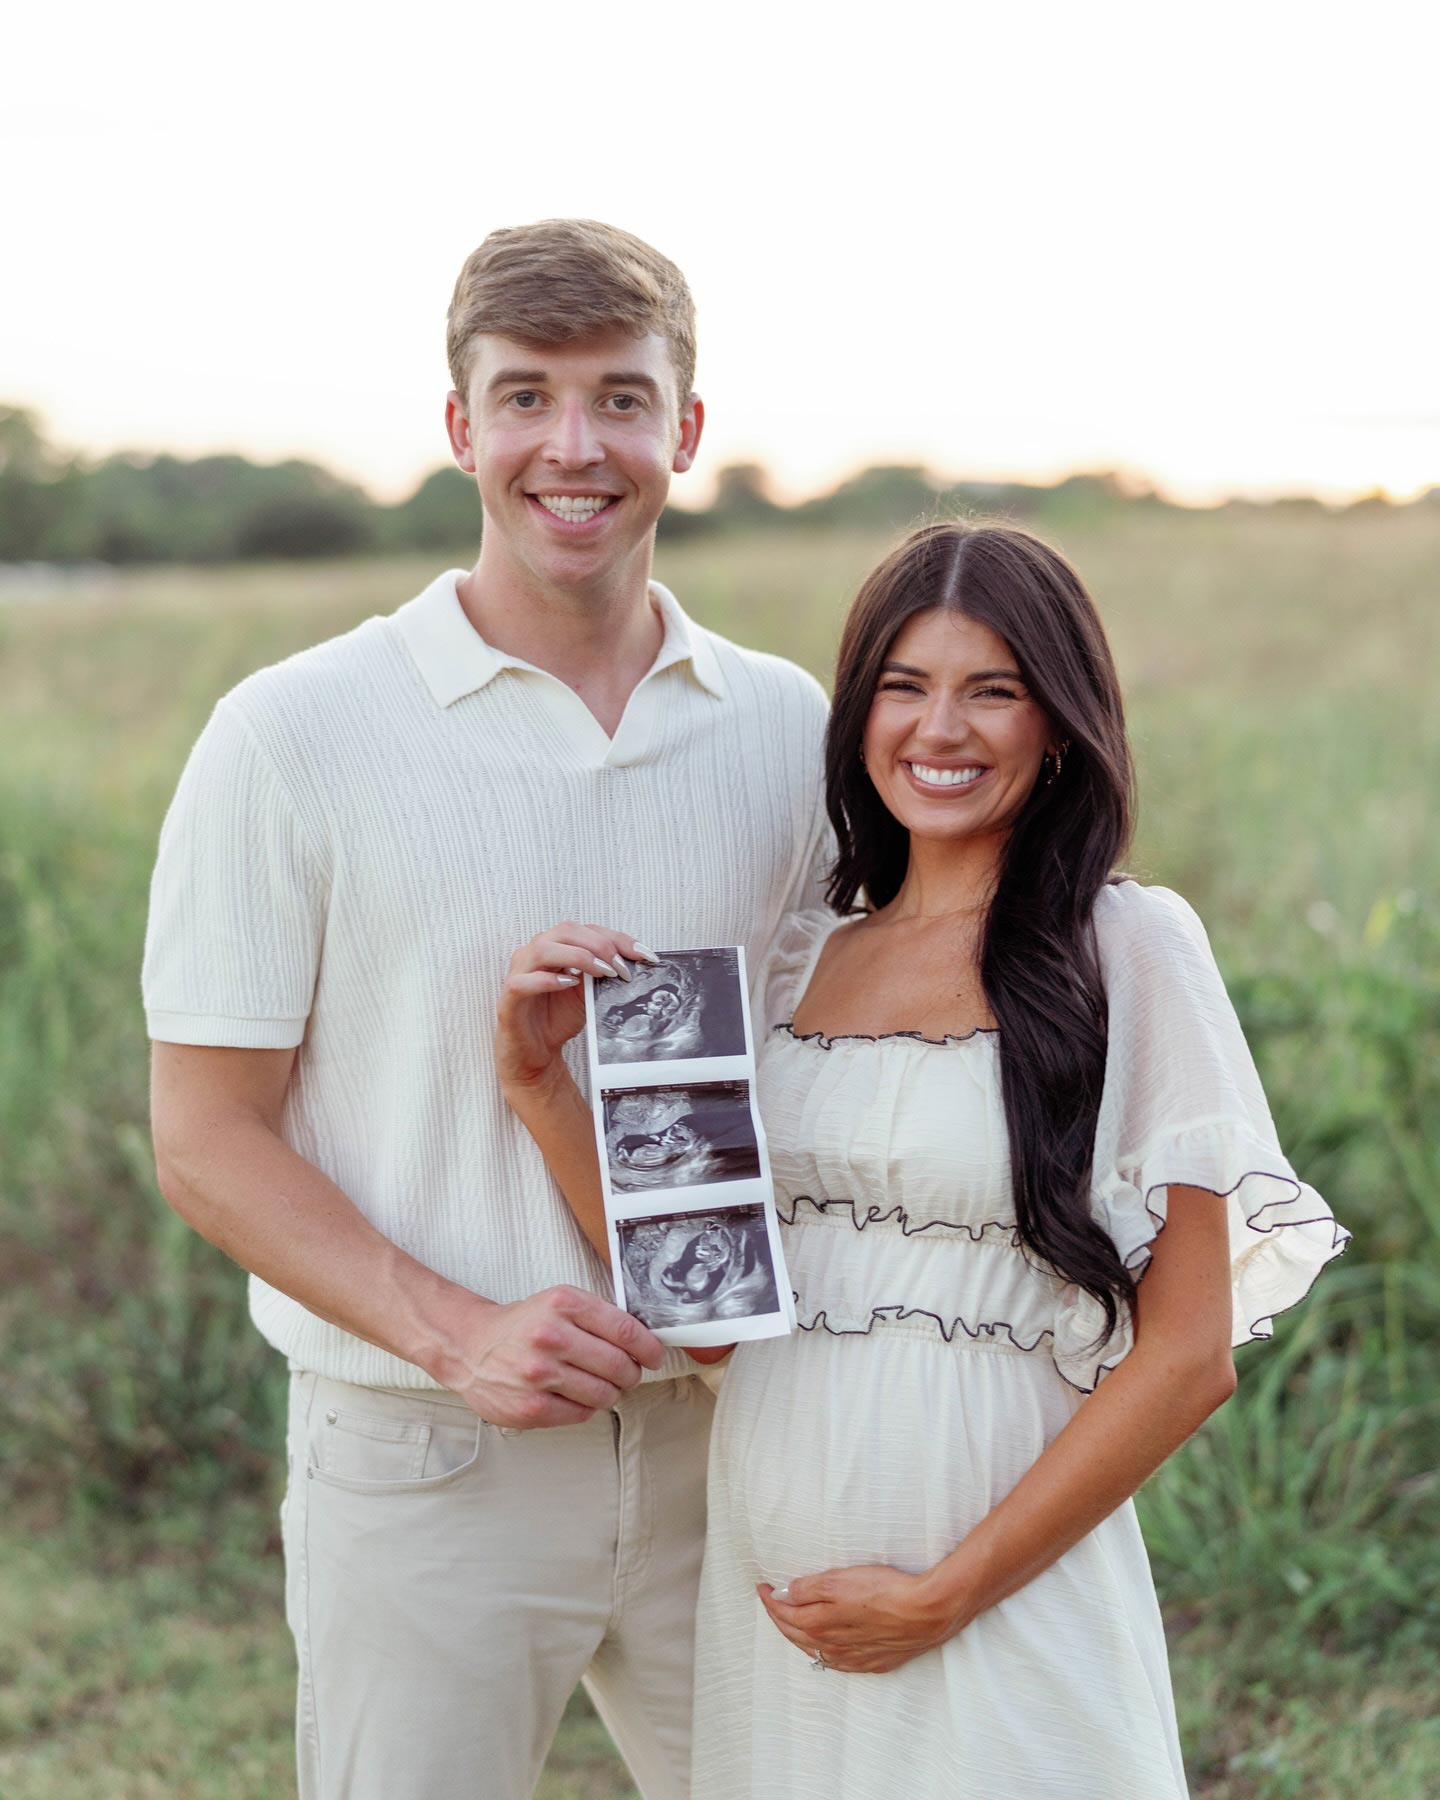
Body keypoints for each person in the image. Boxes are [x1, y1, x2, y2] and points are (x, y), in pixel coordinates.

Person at [495, 520, 1349, 1799]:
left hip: (998, 1583)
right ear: (860, 715)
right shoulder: (794, 957)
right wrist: (538, 1086)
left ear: (1057, 723)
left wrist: (946, 1594)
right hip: (779, 1583)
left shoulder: (1126, 948)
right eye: (905, 685)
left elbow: (1187, 1359)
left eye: (990, 690)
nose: (940, 728)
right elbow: (713, 1321)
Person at [142, 219, 830, 1800]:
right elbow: (204, 1137)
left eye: (620, 399)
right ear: (461, 428)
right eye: (525, 397)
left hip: (726, 1447)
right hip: (423, 1452)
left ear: (688, 431)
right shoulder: (291, 735)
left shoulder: (789, 728)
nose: (573, 448)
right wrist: (459, 1334)